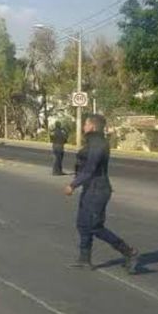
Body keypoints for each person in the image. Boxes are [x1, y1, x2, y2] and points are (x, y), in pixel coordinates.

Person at [64, 114, 139, 274]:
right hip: (90, 188)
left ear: (92, 126)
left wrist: (73, 185)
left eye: (85, 124)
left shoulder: (98, 144)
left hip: (98, 190)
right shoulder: (92, 142)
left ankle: (129, 252)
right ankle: (84, 259)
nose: (83, 127)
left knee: (94, 226)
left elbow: (90, 169)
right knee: (83, 224)